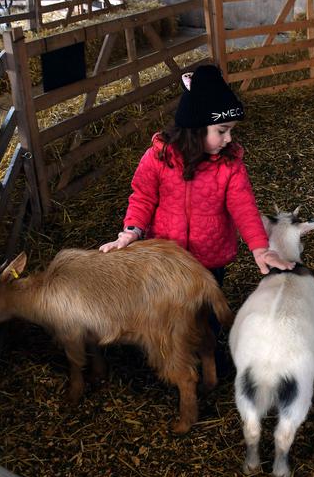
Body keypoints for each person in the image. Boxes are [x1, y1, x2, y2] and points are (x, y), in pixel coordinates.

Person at [99, 64, 293, 367]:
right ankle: (173, 360)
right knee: (171, 312)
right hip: (168, 259)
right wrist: (131, 231)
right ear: (195, 126)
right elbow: (143, 197)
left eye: (230, 131)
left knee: (207, 312)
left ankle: (209, 357)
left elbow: (243, 207)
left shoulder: (229, 165)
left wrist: (259, 247)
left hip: (210, 258)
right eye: (222, 131)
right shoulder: (159, 157)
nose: (229, 139)